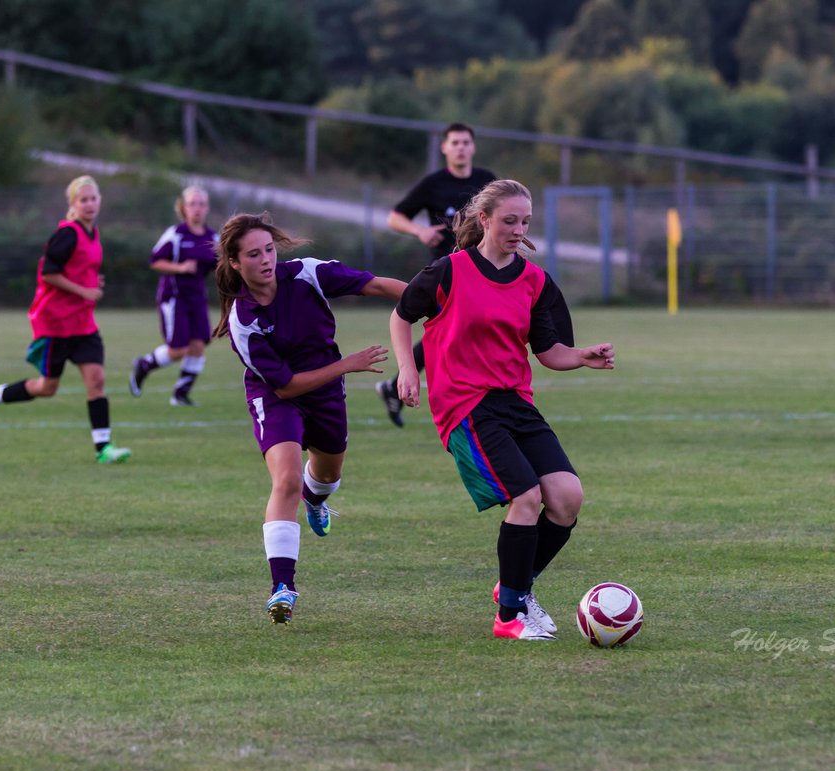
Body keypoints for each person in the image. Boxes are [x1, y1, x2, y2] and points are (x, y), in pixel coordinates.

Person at [389, 179, 615, 641]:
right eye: (509, 220)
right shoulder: (448, 271)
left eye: (526, 222)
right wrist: (408, 371)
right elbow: (401, 315)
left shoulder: (534, 281)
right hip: (465, 405)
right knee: (526, 497)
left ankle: (515, 586)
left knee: (567, 498)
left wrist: (581, 356)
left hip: (516, 403)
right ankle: (509, 617)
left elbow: (550, 351)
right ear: (484, 220)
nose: (518, 229)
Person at [214, 211, 406, 624]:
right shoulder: (243, 320)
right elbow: (284, 387)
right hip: (276, 394)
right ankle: (282, 585)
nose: (265, 259)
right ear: (235, 262)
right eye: (253, 254)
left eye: (269, 249)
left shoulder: (307, 274)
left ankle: (315, 497)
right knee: (284, 478)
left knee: (328, 474)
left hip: (325, 395)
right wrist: (347, 365)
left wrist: (435, 301)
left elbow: (372, 284)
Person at [0, 175, 131, 464]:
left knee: (97, 380)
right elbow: (49, 273)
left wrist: (93, 281)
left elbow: (79, 269)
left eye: (93, 198)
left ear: (100, 201)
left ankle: (103, 449)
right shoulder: (67, 233)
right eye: (83, 200)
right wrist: (84, 289)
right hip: (56, 322)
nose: (89, 204)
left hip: (83, 323)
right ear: (72, 204)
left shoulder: (93, 234)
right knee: (47, 387)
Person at [378, 122, 496, 428]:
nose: (460, 147)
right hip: (447, 272)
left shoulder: (487, 181)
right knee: (451, 334)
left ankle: (396, 387)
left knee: (450, 335)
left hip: (484, 269)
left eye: (465, 142)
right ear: (444, 148)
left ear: (473, 147)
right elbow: (395, 217)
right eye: (454, 142)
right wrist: (420, 230)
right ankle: (466, 398)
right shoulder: (433, 184)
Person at [129, 185, 218, 406]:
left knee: (198, 345)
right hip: (174, 297)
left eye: (201, 204)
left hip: (198, 297)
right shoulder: (175, 234)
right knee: (179, 349)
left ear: (207, 208)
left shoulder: (213, 238)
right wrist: (180, 268)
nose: (197, 208)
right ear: (183, 208)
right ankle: (144, 365)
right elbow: (155, 261)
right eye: (192, 204)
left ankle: (181, 394)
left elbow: (220, 265)